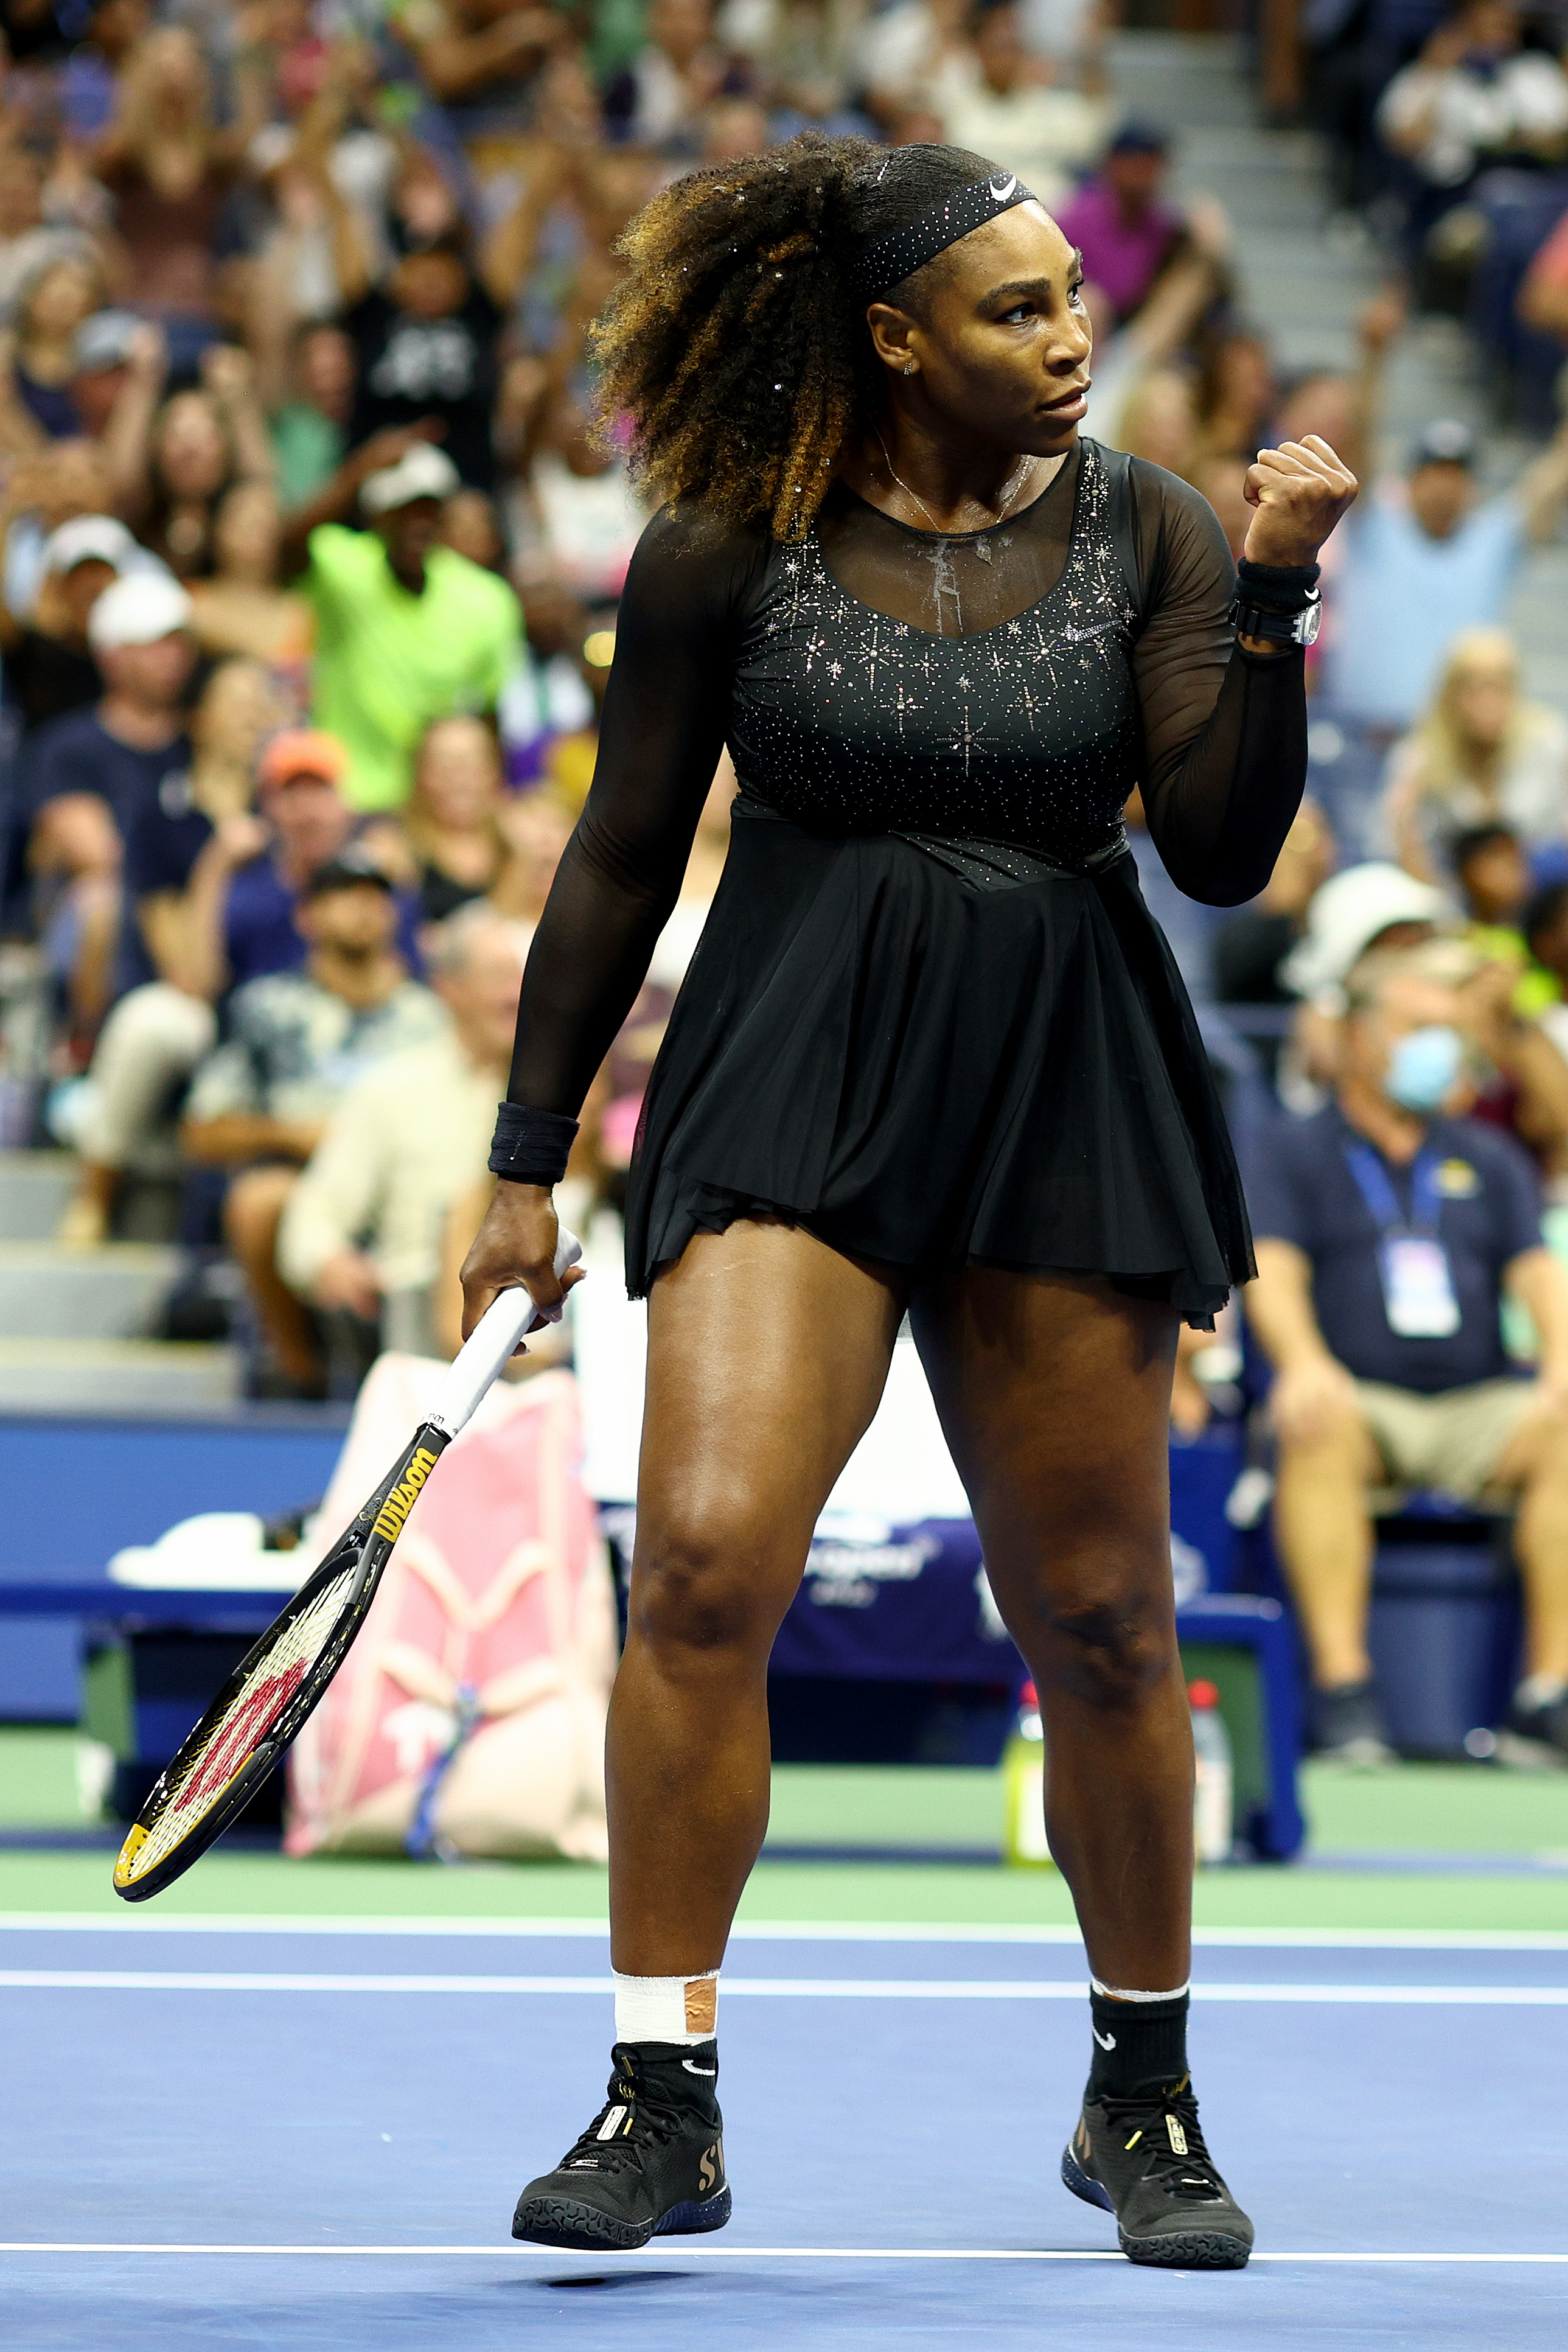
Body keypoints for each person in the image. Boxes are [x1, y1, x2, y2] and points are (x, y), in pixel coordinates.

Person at [457, 133, 1355, 2263]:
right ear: (889, 339)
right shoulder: (716, 543)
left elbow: (1217, 853)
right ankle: (654, 2095)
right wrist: (520, 1158)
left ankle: (1138, 2097)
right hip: (791, 1054)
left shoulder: (1136, 519)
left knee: (1106, 1622)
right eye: (1016, 310)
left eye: (1067, 301)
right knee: (693, 1565)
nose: (1069, 339)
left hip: (1059, 1074)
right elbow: (611, 859)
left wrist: (1269, 593)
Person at [1243, 941, 1568, 1764]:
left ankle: (1546, 1695)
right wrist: (1305, 1362)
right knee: (1312, 1421)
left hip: (1476, 1405)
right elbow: (1272, 1276)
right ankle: (1346, 1691)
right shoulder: (1293, 1148)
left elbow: (1539, 1278)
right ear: (1358, 1037)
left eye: (1449, 1032)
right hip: (1359, 1400)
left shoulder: (1488, 1158)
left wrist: (1562, 1362)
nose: (1441, 1050)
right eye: (1420, 1027)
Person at [181, 851, 447, 1395]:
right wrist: (295, 1133)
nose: (362, 907)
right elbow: (203, 1130)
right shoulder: (267, 1007)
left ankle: (439, 1383)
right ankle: (301, 1373)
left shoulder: (428, 1017)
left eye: (375, 894)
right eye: (342, 894)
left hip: (406, 1188)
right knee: (259, 1200)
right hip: (305, 1179)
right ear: (307, 916)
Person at [58, 657, 285, 1246]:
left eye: (263, 701)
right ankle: (94, 1191)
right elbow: (189, 973)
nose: (253, 716)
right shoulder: (165, 814)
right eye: (237, 701)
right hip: (208, 1007)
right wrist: (218, 863)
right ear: (200, 718)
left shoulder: (291, 806)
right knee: (154, 1021)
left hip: (284, 1001)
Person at [276, 906, 532, 1357]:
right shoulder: (391, 1089)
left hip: (548, 1310)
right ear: (448, 988)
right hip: (416, 1316)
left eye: (524, 978)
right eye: (498, 976)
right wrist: (329, 1262)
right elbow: (316, 1214)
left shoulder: (574, 1097)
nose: (517, 994)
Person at [281, 434, 524, 811]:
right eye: (402, 511)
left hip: (439, 806)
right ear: (377, 518)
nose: (417, 525)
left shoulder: (487, 599)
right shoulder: (344, 568)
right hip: (350, 798)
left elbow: (490, 715)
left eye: (428, 511)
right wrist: (357, 471)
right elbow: (286, 548)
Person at [1320, 416, 1568, 737]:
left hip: (1451, 748)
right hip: (1360, 734)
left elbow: (1550, 482)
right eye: (1434, 473)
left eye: (1457, 476)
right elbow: (1356, 452)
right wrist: (1372, 369)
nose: (1444, 487)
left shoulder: (1492, 541)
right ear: (1410, 483)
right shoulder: (1375, 526)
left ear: (1472, 489)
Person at [17, 570, 195, 853]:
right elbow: (94, 859)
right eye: (154, 643)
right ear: (111, 656)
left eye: (180, 642)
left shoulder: (199, 741)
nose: (173, 656)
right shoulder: (69, 750)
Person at [1381, 627, 1568, 884]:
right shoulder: (1420, 756)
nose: (1488, 702)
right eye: (1475, 689)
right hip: (1448, 894)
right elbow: (1396, 846)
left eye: (1500, 688)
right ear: (1450, 694)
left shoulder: (1548, 742)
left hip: (1537, 894)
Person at [1056, 121, 1186, 326]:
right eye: (1138, 165)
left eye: (1154, 166)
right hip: (1084, 329)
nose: (1147, 176)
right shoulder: (1073, 220)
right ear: (1113, 164)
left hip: (1140, 329)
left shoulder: (1166, 226)